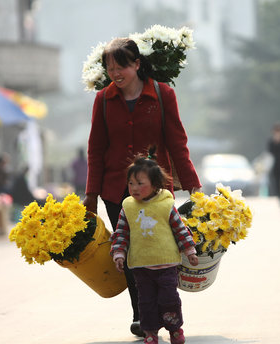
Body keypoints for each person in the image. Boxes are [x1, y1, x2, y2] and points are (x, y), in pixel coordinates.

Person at [83, 37, 201, 337]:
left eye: (120, 66)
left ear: (137, 64)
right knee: (132, 256)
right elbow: (96, 149)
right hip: (116, 193)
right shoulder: (103, 100)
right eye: (109, 67)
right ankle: (142, 315)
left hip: (157, 192)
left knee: (160, 253)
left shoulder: (162, 94)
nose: (115, 73)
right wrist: (91, 195)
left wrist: (193, 186)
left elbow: (177, 142)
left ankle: (166, 310)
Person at [110, 148, 198, 344]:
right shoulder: (128, 208)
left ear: (155, 184)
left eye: (140, 183)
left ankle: (175, 329)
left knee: (168, 299)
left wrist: (189, 250)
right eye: (131, 183)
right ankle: (150, 332)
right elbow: (121, 233)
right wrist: (119, 254)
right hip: (141, 267)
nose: (134, 188)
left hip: (166, 265)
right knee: (146, 302)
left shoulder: (166, 205)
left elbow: (180, 229)